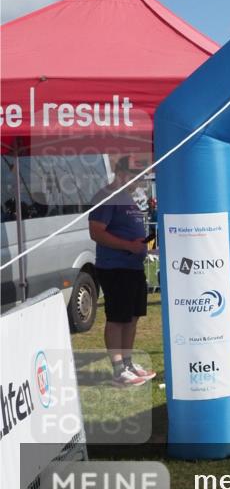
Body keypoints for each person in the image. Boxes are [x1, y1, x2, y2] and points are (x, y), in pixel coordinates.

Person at [88, 156, 157, 387]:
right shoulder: (106, 196)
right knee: (117, 317)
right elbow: (96, 232)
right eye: (137, 176)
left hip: (133, 266)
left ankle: (127, 363)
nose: (140, 182)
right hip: (115, 266)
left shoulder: (127, 197)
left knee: (133, 316)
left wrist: (141, 244)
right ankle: (118, 369)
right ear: (122, 172)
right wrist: (129, 246)